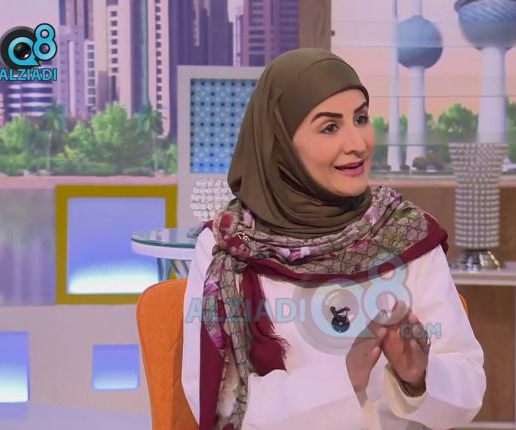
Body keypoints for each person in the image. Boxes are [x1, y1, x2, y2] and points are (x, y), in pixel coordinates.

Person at [182, 48, 486, 430]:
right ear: (280, 143)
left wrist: (419, 378)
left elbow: (468, 387)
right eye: (330, 127)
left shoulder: (404, 232)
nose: (357, 143)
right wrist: (341, 382)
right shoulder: (227, 248)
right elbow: (218, 401)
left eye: (361, 118)